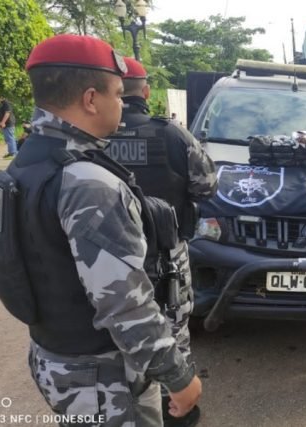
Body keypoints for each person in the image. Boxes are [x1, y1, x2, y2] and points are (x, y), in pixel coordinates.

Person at [0, 34, 202, 426]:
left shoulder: (25, 164)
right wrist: (178, 375)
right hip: (105, 379)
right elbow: (124, 302)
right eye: (118, 94)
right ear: (90, 99)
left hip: (55, 360)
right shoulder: (88, 182)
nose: (123, 104)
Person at [106, 57, 218, 427]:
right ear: (147, 91)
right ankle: (178, 405)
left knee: (113, 329)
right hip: (165, 254)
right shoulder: (171, 135)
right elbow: (206, 186)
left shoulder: (91, 138)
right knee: (173, 328)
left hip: (102, 256)